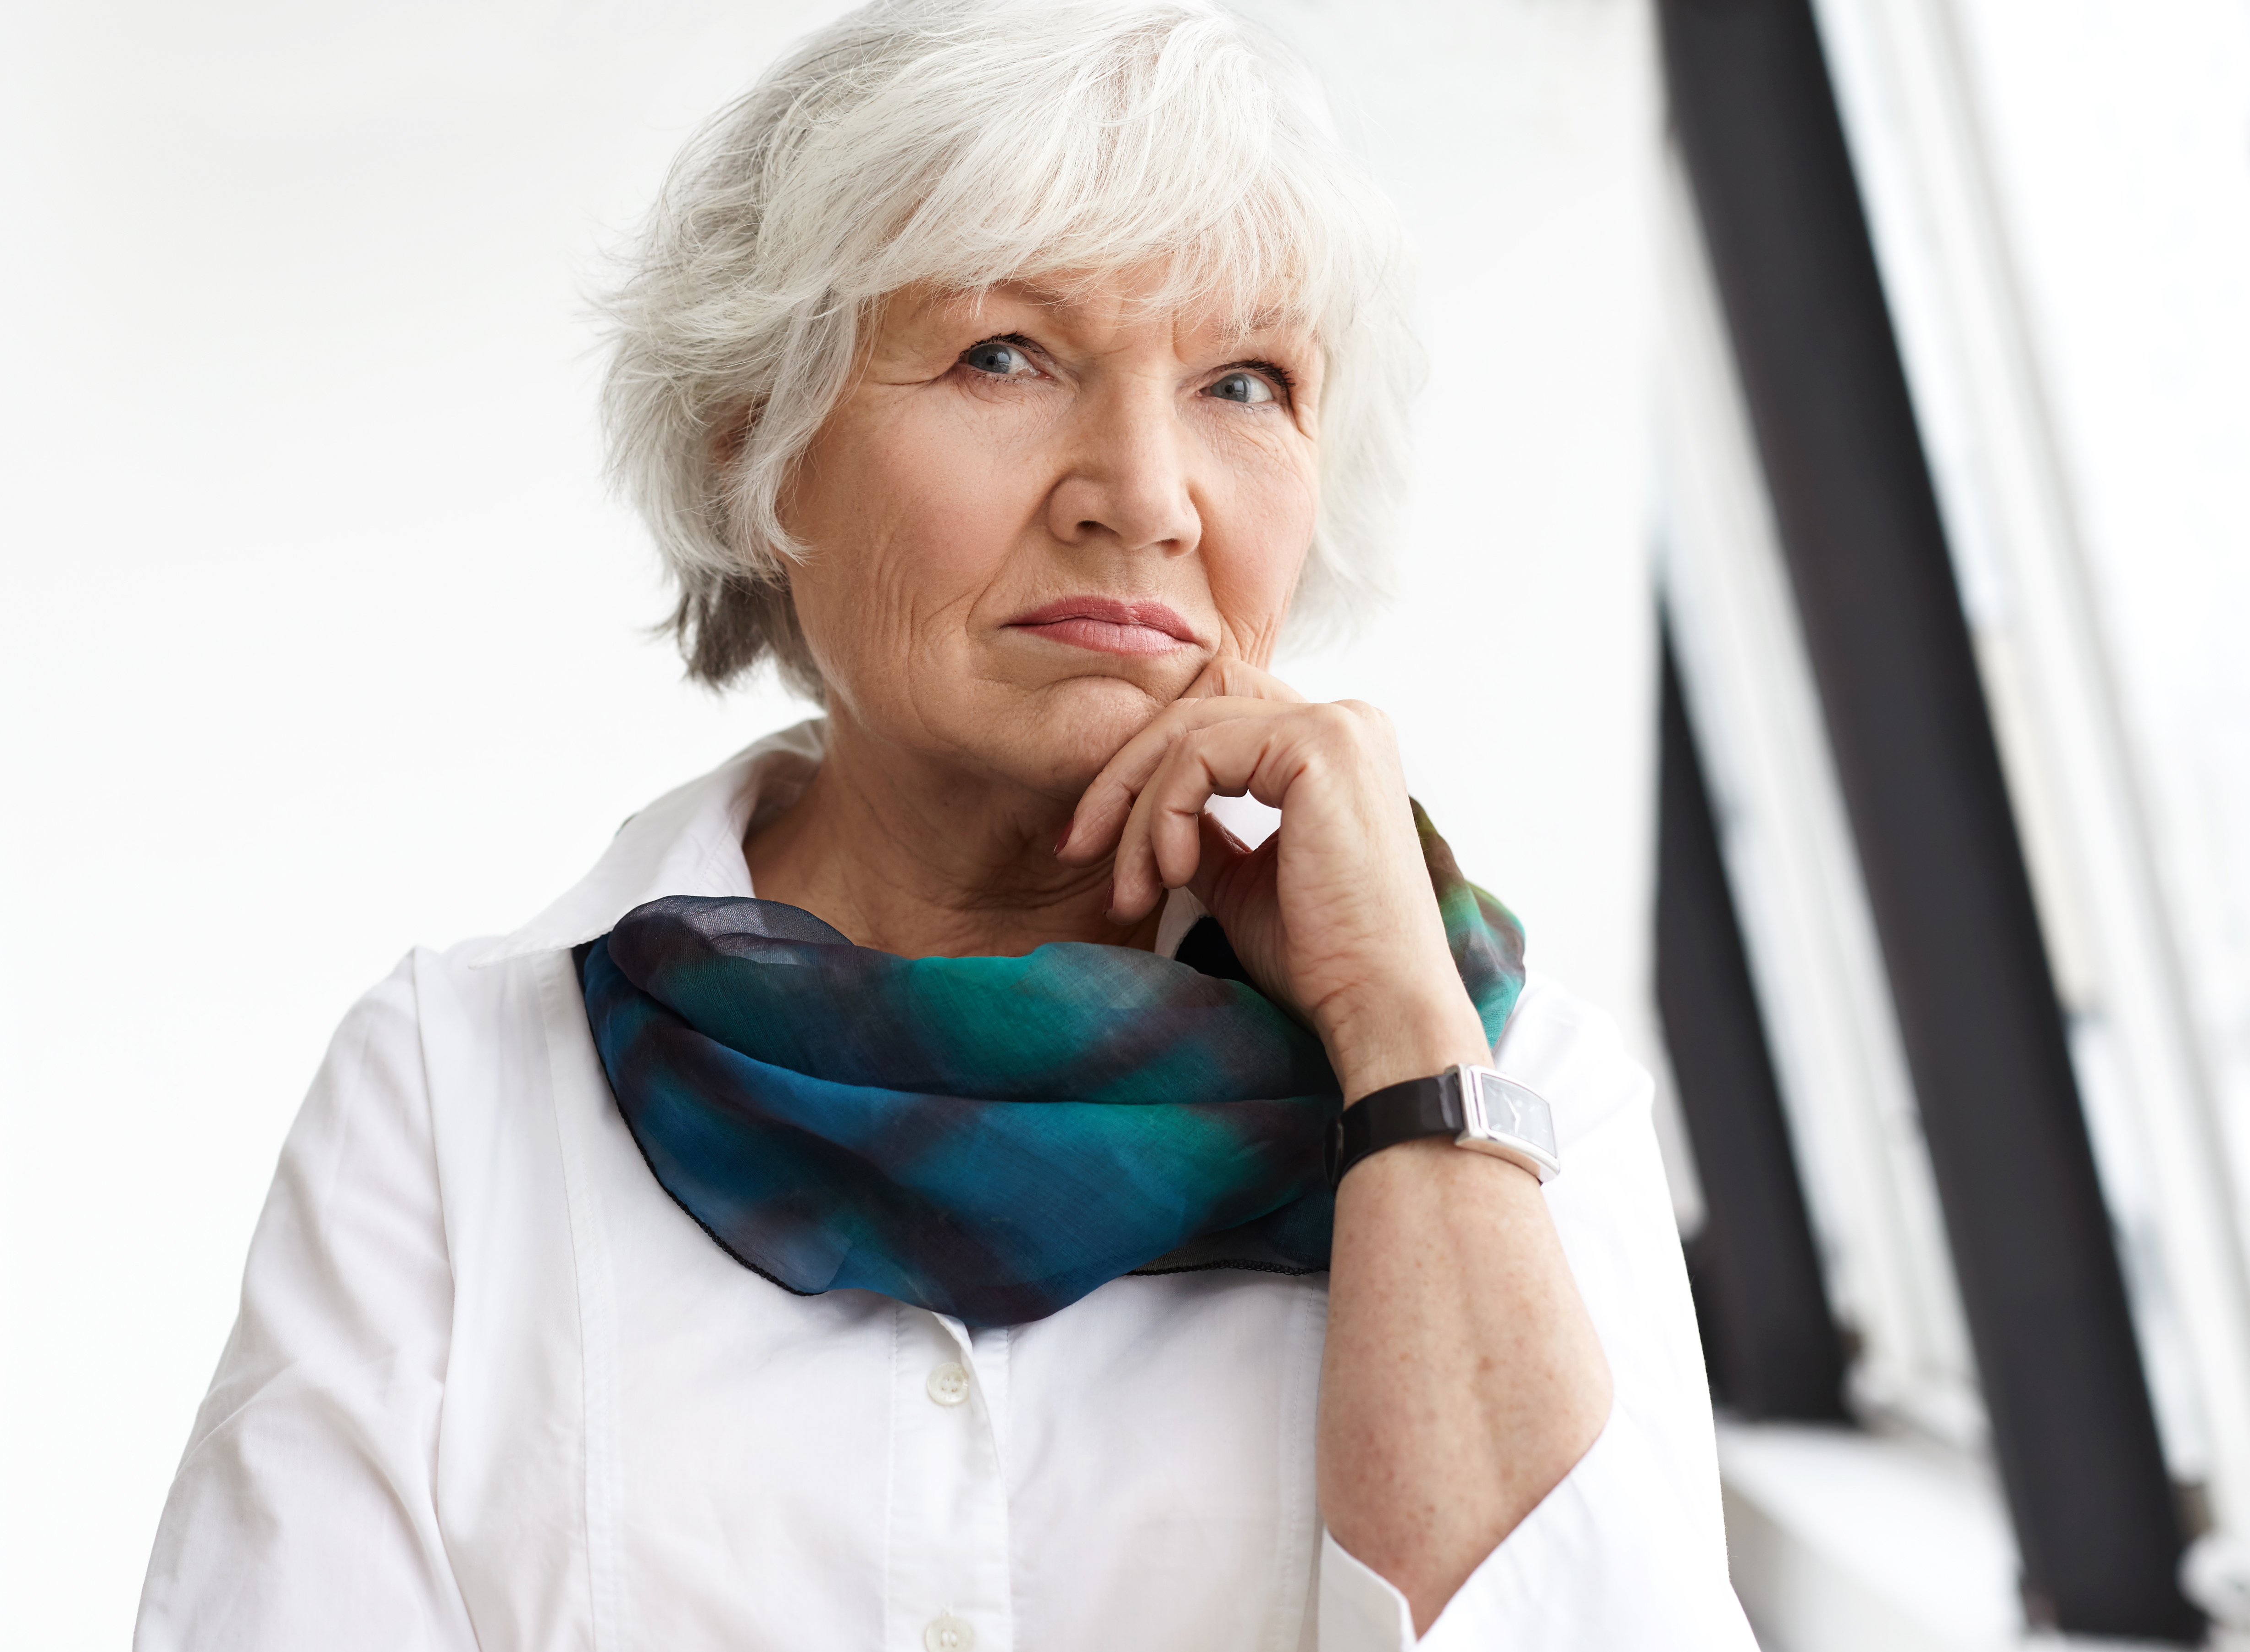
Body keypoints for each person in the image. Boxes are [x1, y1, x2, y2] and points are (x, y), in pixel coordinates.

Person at [134, 2, 1756, 1647]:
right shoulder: (457, 1092)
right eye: (1005, 354)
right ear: (753, 443)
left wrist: (1400, 1041)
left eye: (1243, 381)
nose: (1143, 490)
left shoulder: (1522, 1097)